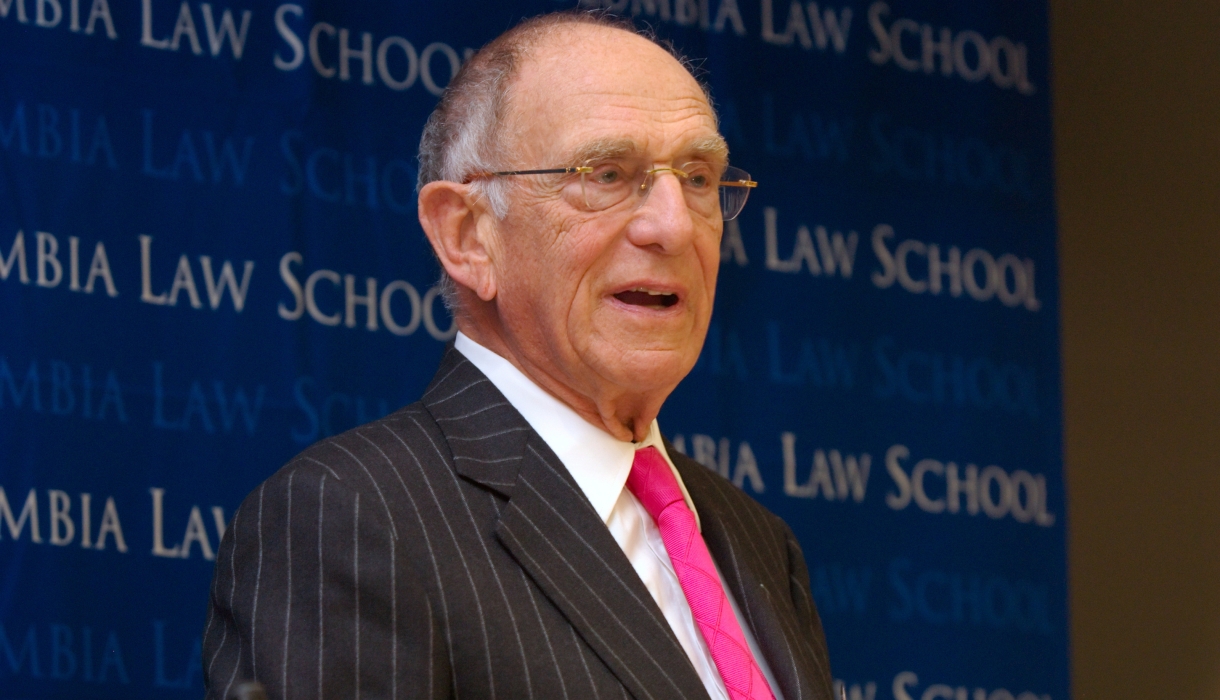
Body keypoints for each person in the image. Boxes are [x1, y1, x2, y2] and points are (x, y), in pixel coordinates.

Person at [202, 11, 834, 700]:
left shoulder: (758, 541)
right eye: (607, 174)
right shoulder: (351, 518)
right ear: (468, 235)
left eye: (699, 177)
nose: (673, 225)